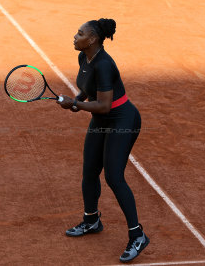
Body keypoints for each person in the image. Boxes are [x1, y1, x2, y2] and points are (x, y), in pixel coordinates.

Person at [56, 18, 149, 263]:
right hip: (101, 120)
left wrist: (75, 104)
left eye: (80, 33)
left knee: (114, 177)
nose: (75, 37)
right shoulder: (83, 57)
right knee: (89, 172)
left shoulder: (105, 64)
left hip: (121, 121)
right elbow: (89, 88)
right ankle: (91, 220)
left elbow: (106, 106)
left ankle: (137, 235)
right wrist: (79, 98)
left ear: (93, 39)